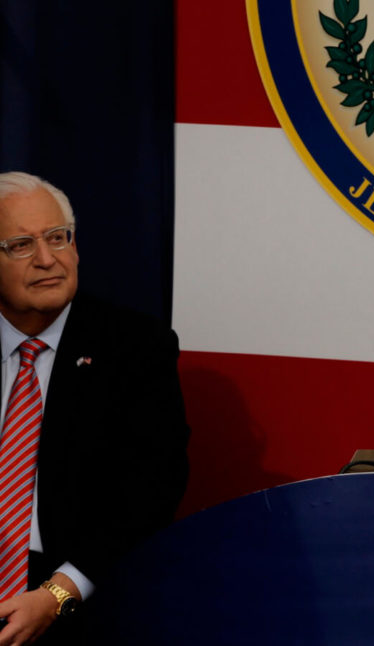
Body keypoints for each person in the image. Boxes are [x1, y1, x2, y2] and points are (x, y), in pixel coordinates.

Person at [0, 172, 189, 644]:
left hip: (77, 593)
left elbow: (150, 493)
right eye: (21, 245)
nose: (47, 260)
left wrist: (57, 594)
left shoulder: (135, 348)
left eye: (58, 238)